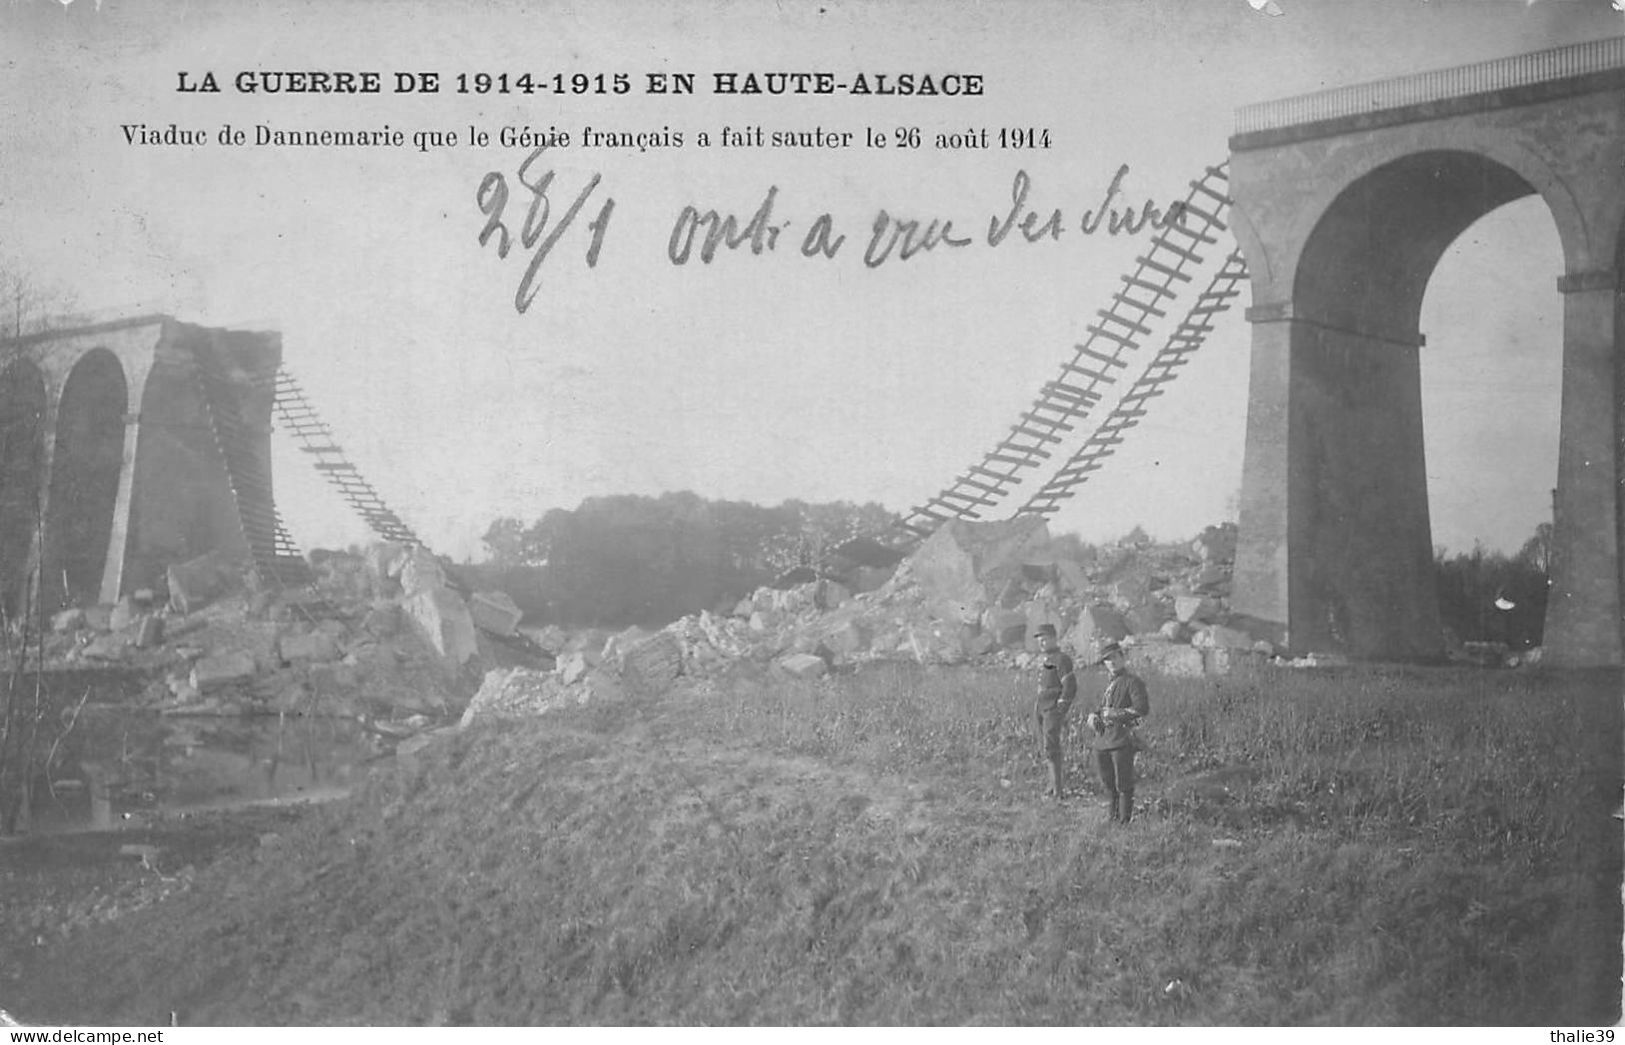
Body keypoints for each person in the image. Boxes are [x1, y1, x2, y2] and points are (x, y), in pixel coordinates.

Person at [1086, 640, 1150, 823]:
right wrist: (1093, 716)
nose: (1111, 662)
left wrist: (1115, 714)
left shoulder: (1133, 682)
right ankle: (1112, 818)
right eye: (1107, 660)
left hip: (1121, 739)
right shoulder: (1109, 684)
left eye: (1114, 657)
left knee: (1124, 783)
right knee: (1108, 782)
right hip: (1102, 739)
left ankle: (1124, 821)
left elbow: (1141, 709)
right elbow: (1102, 706)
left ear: (1122, 658)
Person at [1031, 623, 1077, 800]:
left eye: (1045, 639)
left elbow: (1070, 686)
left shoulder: (1062, 659)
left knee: (1052, 747)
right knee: (1044, 746)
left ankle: (1058, 791)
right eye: (1039, 641)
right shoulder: (1046, 659)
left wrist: (1060, 708)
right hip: (1041, 708)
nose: (1042, 643)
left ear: (1054, 639)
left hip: (1052, 709)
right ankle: (1051, 786)